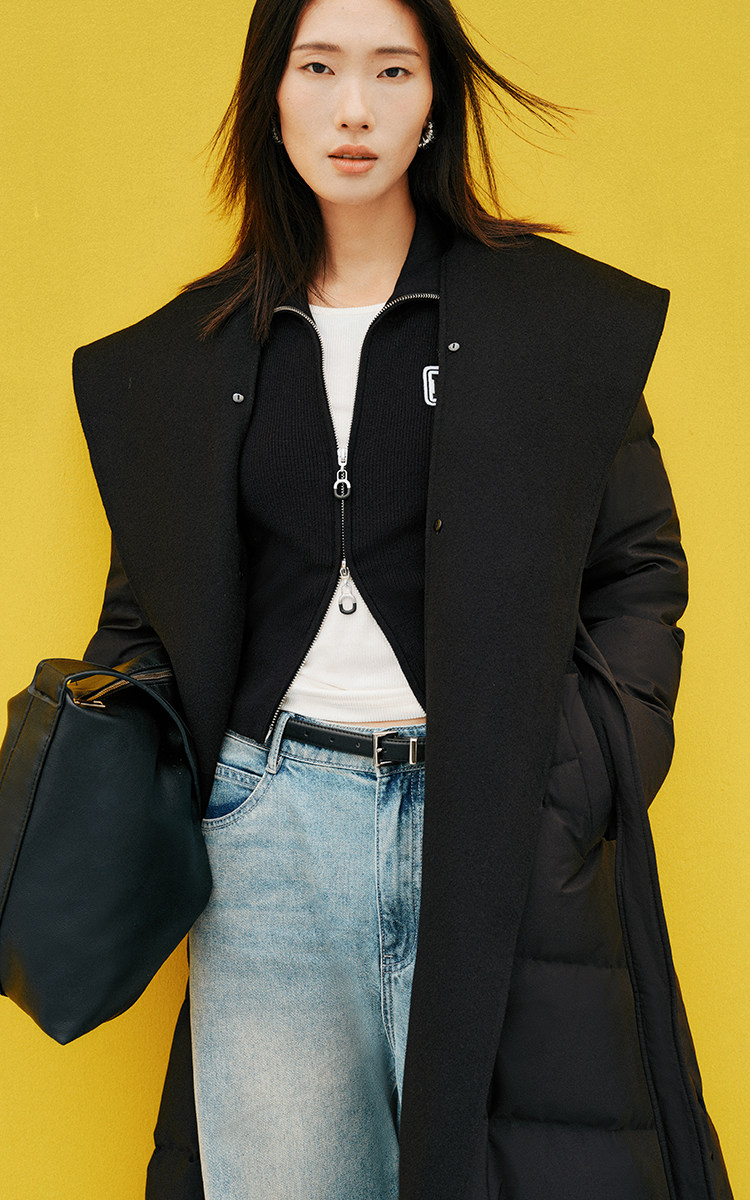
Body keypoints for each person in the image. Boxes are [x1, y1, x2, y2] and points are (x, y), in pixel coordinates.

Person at [71, 0, 733, 1197]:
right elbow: (146, 617)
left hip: (488, 819)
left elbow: (639, 568)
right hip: (269, 840)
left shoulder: (553, 325)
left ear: (435, 103)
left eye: (392, 71)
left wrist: (573, 778)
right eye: (319, 67)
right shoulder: (187, 360)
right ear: (271, 97)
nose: (354, 109)